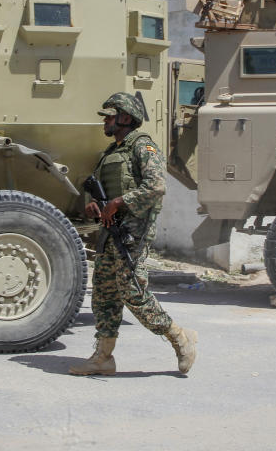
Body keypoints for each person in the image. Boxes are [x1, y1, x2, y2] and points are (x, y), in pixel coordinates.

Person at [69, 92, 198, 376]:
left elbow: (156, 186)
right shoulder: (110, 154)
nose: (105, 121)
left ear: (125, 118)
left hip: (132, 234)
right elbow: (105, 194)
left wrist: (118, 203)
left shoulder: (143, 147)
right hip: (109, 233)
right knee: (103, 294)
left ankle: (179, 337)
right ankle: (103, 357)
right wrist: (95, 207)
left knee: (133, 292)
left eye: (110, 116)